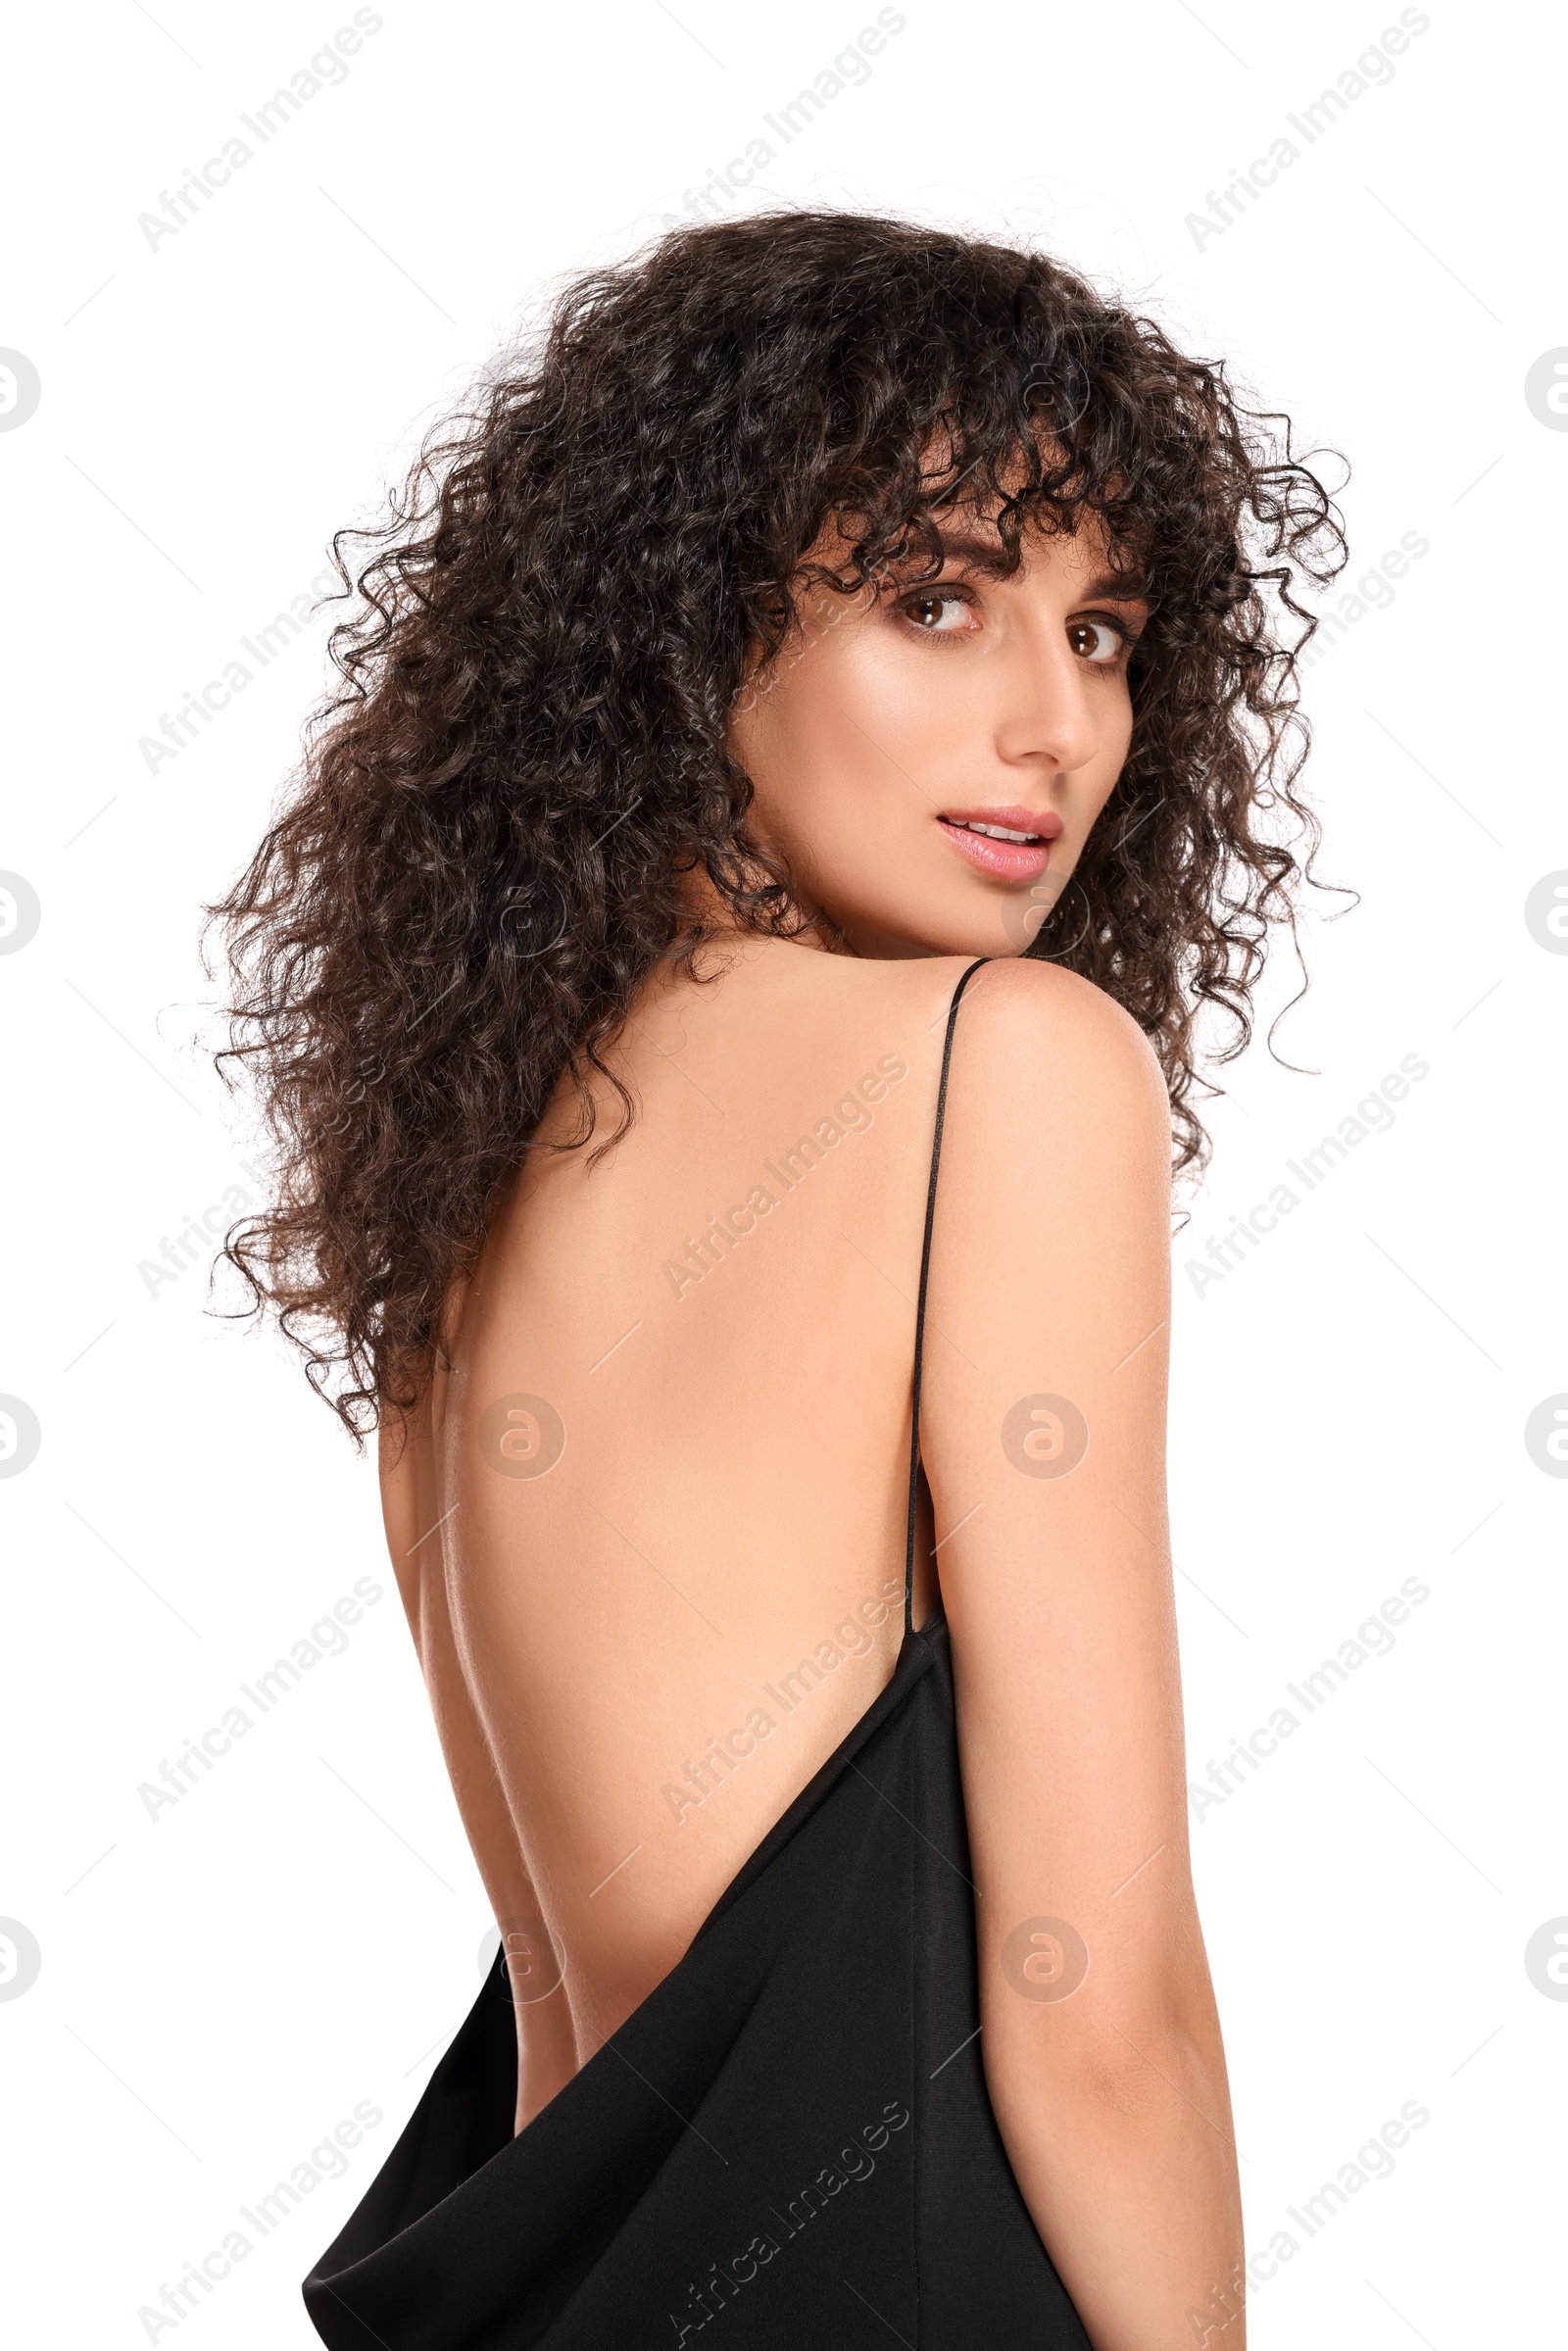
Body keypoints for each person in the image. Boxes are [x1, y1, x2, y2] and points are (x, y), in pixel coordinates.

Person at [213, 211, 1343, 2348]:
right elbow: (1089, 1999)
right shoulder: (1000, 1067)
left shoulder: (461, 1165)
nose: (1051, 730)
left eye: (1101, 634)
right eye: (934, 601)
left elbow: (577, 2010)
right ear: (679, 627)